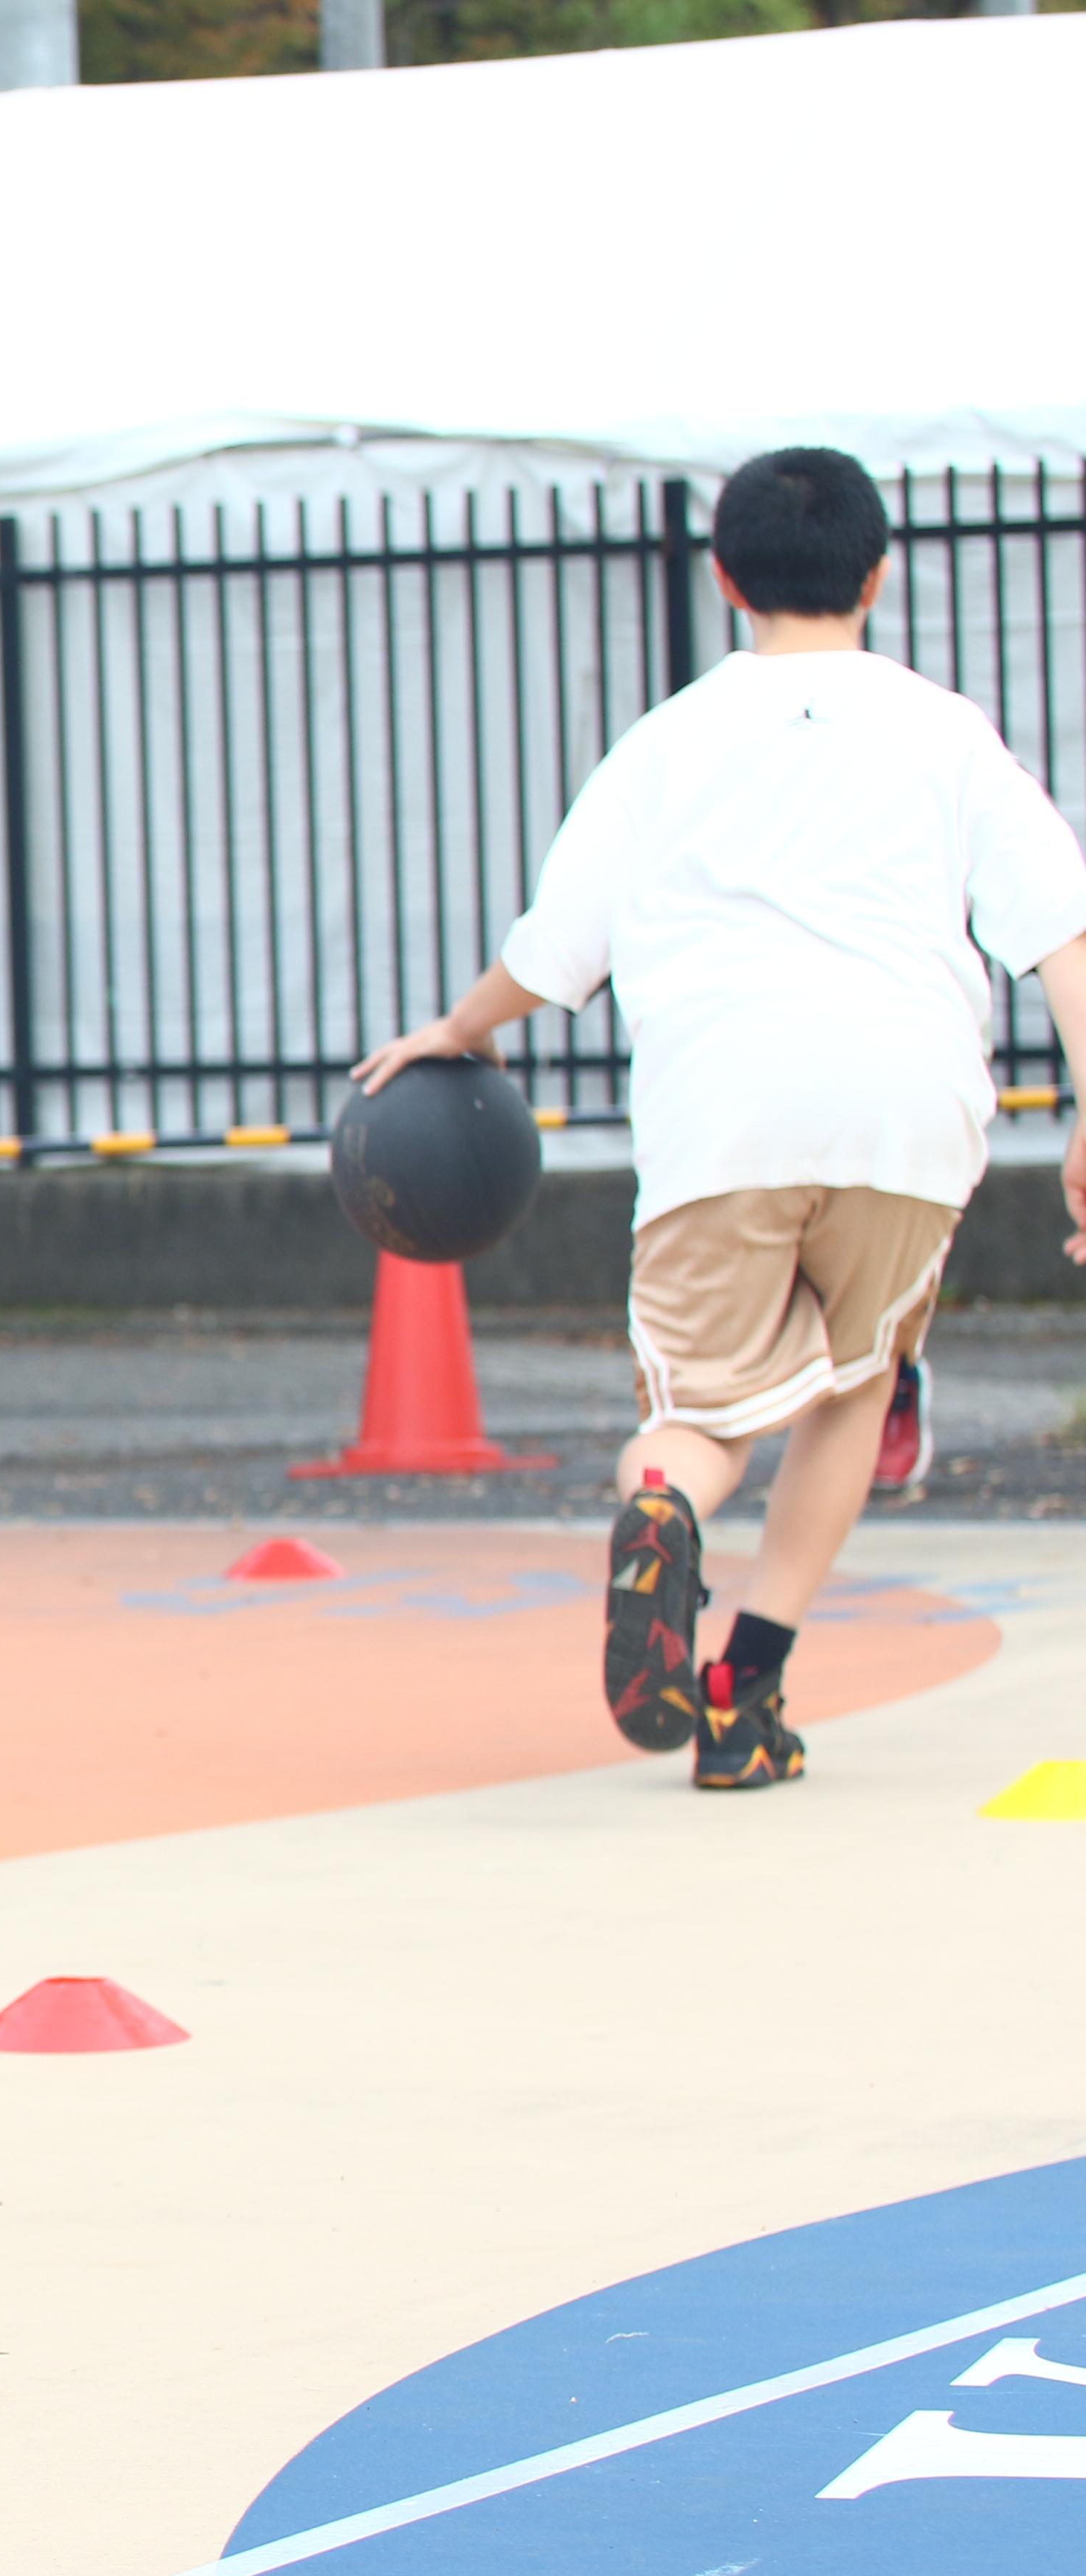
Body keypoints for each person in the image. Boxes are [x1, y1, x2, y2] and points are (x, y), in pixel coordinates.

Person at [359, 445, 1086, 1790]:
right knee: (856, 1385)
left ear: (724, 579)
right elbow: (1060, 928)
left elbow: (554, 951)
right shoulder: (946, 731)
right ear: (878, 575)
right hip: (905, 1113)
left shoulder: (667, 740)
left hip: (722, 1117)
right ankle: (747, 1691)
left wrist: (460, 1028)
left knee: (701, 1412)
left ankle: (664, 1507)